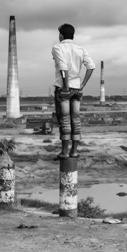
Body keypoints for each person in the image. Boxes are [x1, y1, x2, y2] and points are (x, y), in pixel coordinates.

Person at [52, 23, 95, 159]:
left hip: (63, 87)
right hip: (77, 88)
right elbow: (91, 67)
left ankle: (64, 152)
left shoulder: (58, 47)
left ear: (61, 35)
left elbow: (63, 68)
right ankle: (74, 151)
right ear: (73, 35)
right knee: (75, 119)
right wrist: (82, 85)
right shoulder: (80, 49)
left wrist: (65, 86)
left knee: (64, 119)